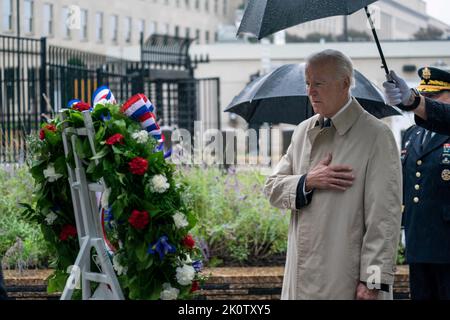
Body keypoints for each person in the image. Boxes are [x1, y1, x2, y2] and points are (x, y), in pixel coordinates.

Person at [263, 49, 402, 300]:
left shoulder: (376, 135)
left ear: (345, 83)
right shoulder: (303, 131)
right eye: (307, 83)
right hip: (300, 280)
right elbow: (272, 188)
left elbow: (384, 216)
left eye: (318, 83)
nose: (310, 91)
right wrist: (307, 181)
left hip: (346, 280)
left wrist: (372, 281)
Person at [395, 67, 450, 300]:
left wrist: (413, 101)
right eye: (424, 95)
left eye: (434, 96)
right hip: (418, 239)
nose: (427, 101)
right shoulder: (411, 134)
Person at [383, 68, 450, 135]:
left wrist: (413, 100)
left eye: (431, 95)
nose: (426, 99)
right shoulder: (411, 133)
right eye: (422, 95)